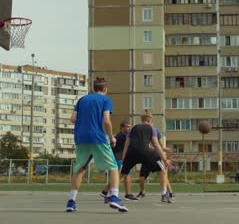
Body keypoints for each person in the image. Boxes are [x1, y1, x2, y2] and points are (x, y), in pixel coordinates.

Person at [65, 77, 128, 212]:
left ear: (94, 88)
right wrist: (111, 137)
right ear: (105, 89)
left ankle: (71, 201)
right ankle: (114, 197)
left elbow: (73, 119)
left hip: (81, 137)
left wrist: (85, 123)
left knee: (79, 169)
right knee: (113, 167)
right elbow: (106, 120)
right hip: (97, 137)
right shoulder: (106, 100)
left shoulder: (82, 100)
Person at [120, 113, 172, 203]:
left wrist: (124, 157)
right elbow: (156, 144)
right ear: (149, 121)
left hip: (132, 153)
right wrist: (164, 159)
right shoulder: (151, 128)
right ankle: (164, 194)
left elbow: (126, 144)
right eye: (152, 122)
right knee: (163, 171)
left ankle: (110, 193)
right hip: (146, 153)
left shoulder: (132, 128)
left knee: (122, 174)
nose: (152, 124)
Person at [100, 121, 139, 201]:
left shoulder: (118, 135)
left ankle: (106, 191)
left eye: (129, 127)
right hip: (119, 158)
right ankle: (127, 194)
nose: (129, 128)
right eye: (127, 126)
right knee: (123, 175)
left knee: (123, 175)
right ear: (122, 127)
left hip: (118, 158)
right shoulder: (123, 135)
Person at [137, 132, 175, 202]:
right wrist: (163, 149)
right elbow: (149, 148)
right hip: (146, 160)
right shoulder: (143, 140)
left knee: (163, 174)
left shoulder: (156, 136)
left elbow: (162, 148)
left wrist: (165, 157)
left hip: (156, 159)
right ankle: (142, 191)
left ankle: (170, 193)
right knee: (141, 178)